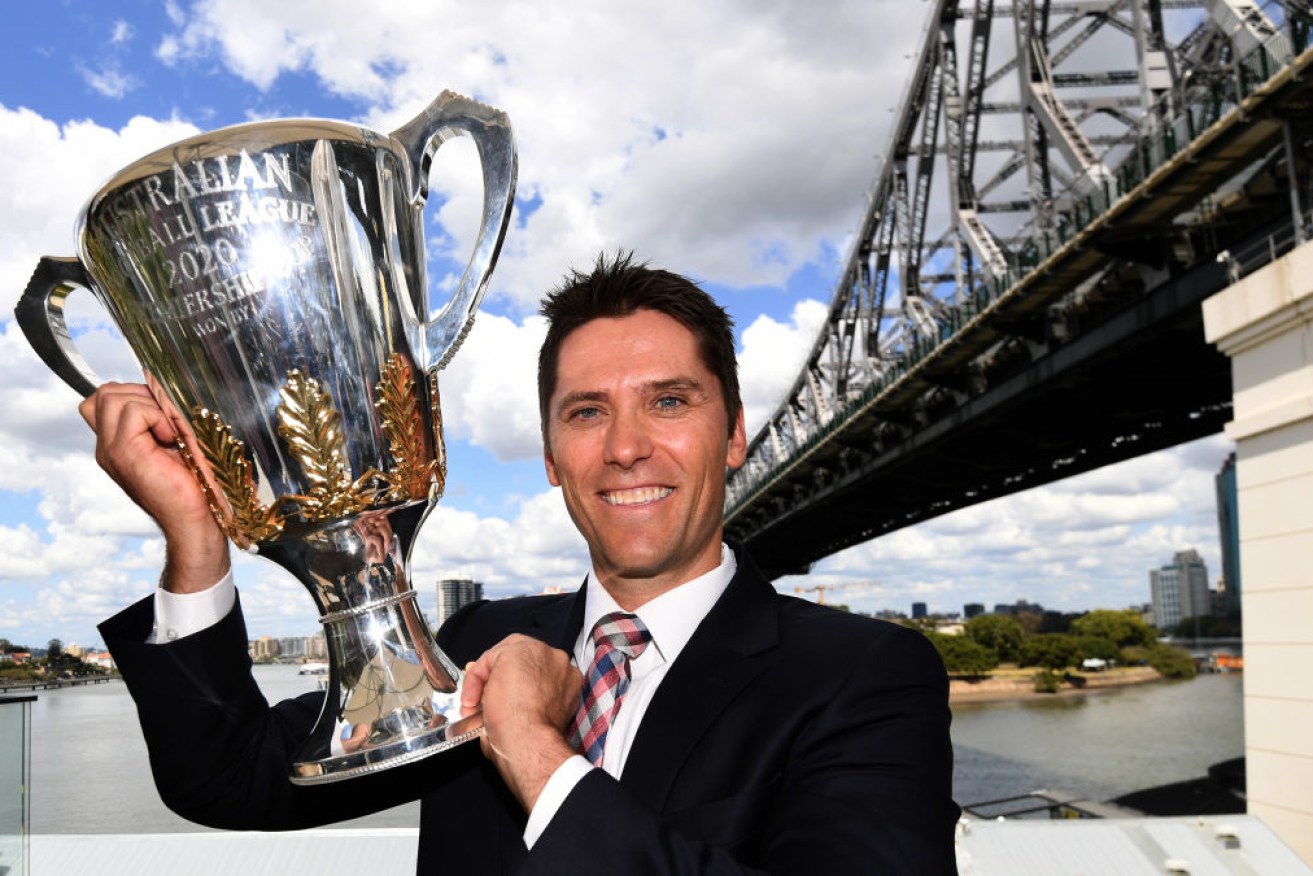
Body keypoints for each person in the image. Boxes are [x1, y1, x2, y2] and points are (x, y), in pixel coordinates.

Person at [85, 253, 959, 873]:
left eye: (668, 401)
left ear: (733, 435)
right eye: (585, 413)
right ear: (549, 456)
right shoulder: (476, 640)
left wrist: (533, 750)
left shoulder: (866, 676)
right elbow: (231, 781)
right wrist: (195, 539)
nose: (625, 448)